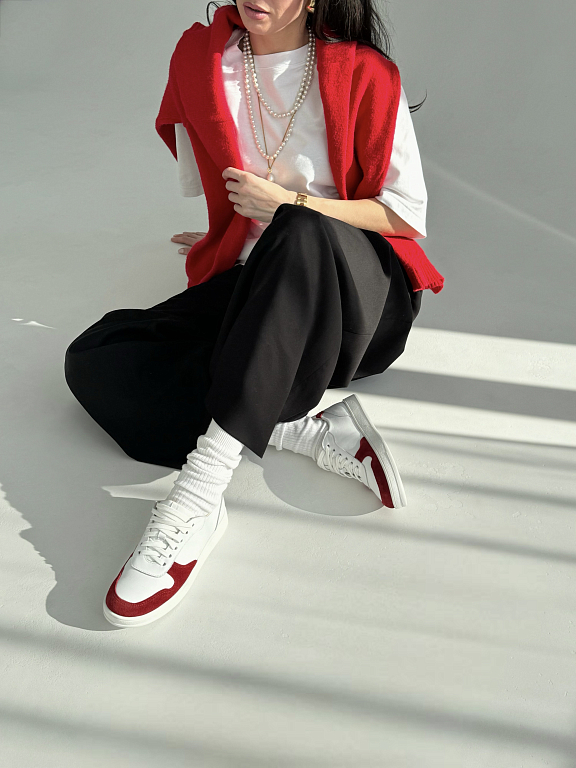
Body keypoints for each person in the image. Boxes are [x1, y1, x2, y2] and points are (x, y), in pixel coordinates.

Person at [64, 0, 444, 628]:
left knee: (299, 230)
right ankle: (298, 427)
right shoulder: (202, 61)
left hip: (361, 301)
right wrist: (230, 237)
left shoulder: (365, 72)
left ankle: (199, 494)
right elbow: (214, 179)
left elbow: (404, 216)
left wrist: (289, 205)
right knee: (95, 359)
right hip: (266, 289)